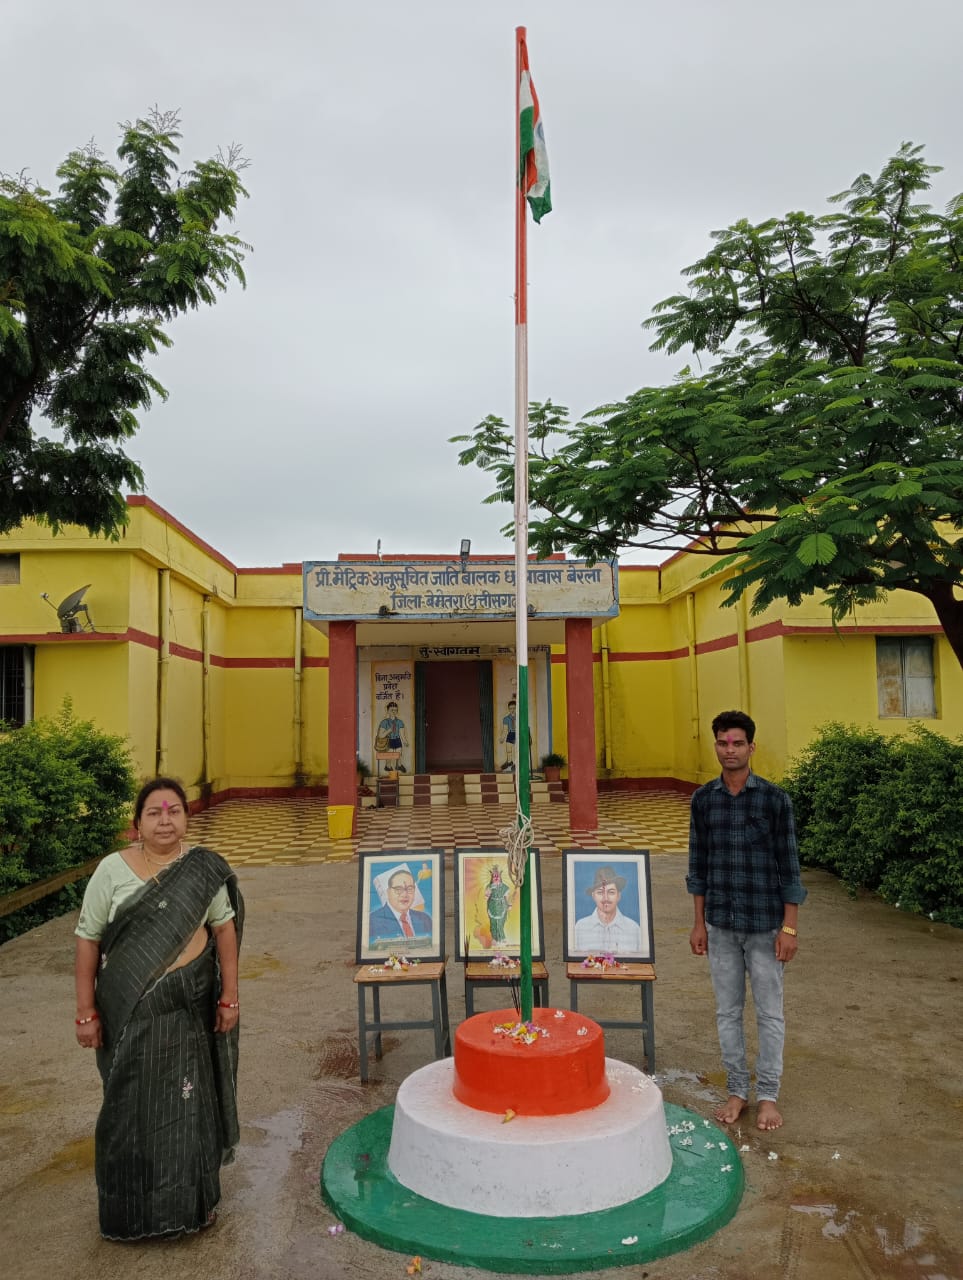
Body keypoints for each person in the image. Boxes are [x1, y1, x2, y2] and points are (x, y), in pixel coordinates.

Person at [74, 777, 243, 1240]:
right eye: (154, 812)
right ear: (137, 825)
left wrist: (229, 996)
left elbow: (224, 931)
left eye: (173, 811)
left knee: (191, 1107)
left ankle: (192, 1206)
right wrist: (86, 1012)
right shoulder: (112, 871)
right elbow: (88, 939)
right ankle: (130, 1213)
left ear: (187, 818)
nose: (165, 820)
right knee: (128, 1111)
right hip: (131, 1015)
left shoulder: (200, 870)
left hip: (189, 1012)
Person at [687, 710, 807, 1132]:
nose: (730, 750)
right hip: (720, 924)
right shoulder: (703, 800)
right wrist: (699, 923)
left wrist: (789, 928)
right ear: (716, 745)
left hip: (766, 926)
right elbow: (697, 867)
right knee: (728, 1012)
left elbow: (789, 868)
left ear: (751, 747)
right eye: (723, 743)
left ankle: (768, 1095)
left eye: (738, 743)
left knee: (770, 1013)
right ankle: (738, 1090)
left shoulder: (775, 800)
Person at [573, 865, 643, 953]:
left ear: (619, 896)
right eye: (600, 892)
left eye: (611, 892)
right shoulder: (579, 927)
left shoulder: (634, 929)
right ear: (593, 896)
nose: (605, 898)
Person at [368, 865, 432, 942]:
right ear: (388, 892)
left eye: (410, 888)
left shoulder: (425, 919)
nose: (405, 894)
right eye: (398, 889)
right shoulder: (371, 922)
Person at [484, 864, 513, 945]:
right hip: (492, 907)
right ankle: (494, 938)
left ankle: (502, 938)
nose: (496, 878)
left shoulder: (504, 887)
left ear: (500, 878)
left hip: (502, 907)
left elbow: (507, 897)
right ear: (492, 878)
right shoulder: (489, 886)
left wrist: (509, 904)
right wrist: (488, 893)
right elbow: (486, 897)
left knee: (500, 923)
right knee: (493, 923)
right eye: (494, 877)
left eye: (497, 877)